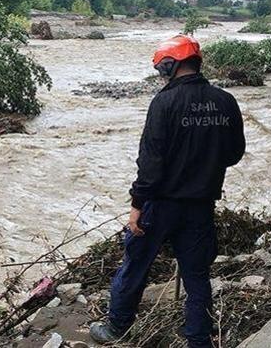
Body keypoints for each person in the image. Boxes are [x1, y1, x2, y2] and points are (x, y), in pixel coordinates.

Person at [90, 35, 246, 348]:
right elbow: (234, 153)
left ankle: (117, 328)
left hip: (160, 205)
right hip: (201, 205)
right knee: (197, 275)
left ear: (169, 65)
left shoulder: (164, 103)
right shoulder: (226, 101)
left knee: (135, 266)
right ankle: (198, 341)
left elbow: (150, 162)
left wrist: (137, 204)